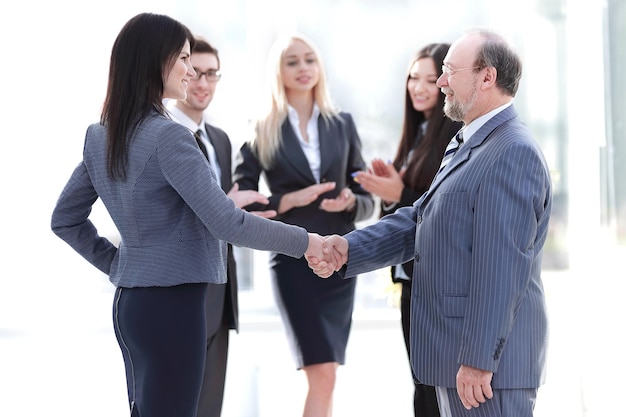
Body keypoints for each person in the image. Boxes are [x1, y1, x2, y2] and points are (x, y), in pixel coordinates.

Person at [50, 13, 326, 417]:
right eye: (182, 58)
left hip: (131, 307)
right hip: (174, 308)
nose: (191, 69)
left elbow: (65, 219)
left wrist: (123, 266)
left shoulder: (102, 133)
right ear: (155, 61)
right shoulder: (171, 136)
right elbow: (227, 222)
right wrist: (308, 242)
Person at [309, 27, 552, 417]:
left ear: (486, 77)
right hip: (456, 361)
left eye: (449, 71)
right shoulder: (468, 143)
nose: (440, 82)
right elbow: (420, 219)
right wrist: (348, 248)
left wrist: (478, 360)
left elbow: (501, 269)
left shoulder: (511, 152)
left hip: (485, 372)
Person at [232, 33, 375, 417]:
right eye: (292, 61)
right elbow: (240, 202)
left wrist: (351, 201)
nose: (303, 68)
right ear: (278, 70)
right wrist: (287, 200)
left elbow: (367, 197)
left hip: (341, 257)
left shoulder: (342, 124)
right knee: (322, 373)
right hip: (294, 260)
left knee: (328, 373)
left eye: (309, 59)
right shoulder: (261, 127)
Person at [167, 36, 275, 417]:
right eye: (194, 72)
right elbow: (176, 214)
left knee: (209, 406)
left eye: (212, 74)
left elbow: (225, 215)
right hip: (178, 293)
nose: (202, 83)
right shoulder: (161, 135)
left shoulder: (220, 140)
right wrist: (229, 210)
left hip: (219, 293)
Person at [353, 43, 462, 417]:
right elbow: (405, 211)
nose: (419, 87)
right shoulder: (417, 136)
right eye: (413, 77)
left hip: (435, 283)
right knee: (422, 384)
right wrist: (390, 195)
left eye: (431, 80)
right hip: (410, 281)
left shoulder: (454, 138)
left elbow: (445, 212)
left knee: (435, 388)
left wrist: (399, 193)